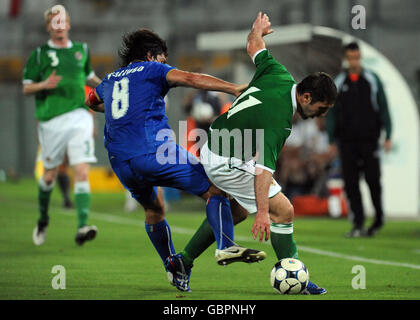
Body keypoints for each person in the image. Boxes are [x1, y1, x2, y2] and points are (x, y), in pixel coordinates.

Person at [85, 28, 265, 292]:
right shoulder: (153, 69)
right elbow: (190, 78)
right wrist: (233, 87)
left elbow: (91, 100)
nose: (164, 63)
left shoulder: (110, 79)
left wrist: (114, 109)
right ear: (150, 55)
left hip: (122, 164)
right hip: (156, 154)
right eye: (163, 58)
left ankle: (172, 264)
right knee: (217, 189)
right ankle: (226, 245)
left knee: (154, 209)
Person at [170, 12, 338, 295]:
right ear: (306, 98)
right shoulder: (280, 118)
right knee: (283, 210)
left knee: (234, 213)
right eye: (321, 108)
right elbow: (263, 169)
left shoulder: (278, 73)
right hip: (227, 160)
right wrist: (263, 212)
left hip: (217, 145)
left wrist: (256, 30)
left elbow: (253, 46)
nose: (320, 115)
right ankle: (294, 271)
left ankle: (182, 262)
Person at [23, 5, 102, 246]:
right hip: (51, 121)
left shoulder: (81, 50)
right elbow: (26, 87)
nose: (59, 25)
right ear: (48, 26)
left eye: (63, 21)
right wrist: (44, 84)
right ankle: (43, 218)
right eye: (54, 21)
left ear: (68, 24)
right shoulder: (39, 55)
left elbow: (90, 77)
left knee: (81, 170)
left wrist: (112, 87)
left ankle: (82, 226)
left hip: (80, 116)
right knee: (49, 176)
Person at [327, 42, 392, 238]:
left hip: (369, 140)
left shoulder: (372, 80)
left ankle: (379, 218)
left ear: (360, 57)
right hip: (347, 142)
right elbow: (332, 113)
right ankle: (358, 223)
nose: (354, 62)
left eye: (356, 58)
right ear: (346, 59)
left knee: (373, 180)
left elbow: (383, 107)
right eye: (350, 58)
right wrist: (331, 139)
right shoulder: (339, 82)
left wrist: (388, 134)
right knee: (351, 183)